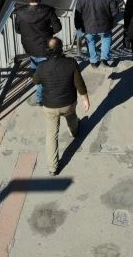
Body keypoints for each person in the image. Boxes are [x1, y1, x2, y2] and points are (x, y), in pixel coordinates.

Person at [33, 38, 90, 175]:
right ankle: (74, 132)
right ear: (61, 48)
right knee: (71, 117)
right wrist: (85, 99)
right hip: (68, 102)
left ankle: (53, 168)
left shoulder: (42, 66)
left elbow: (36, 80)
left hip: (50, 106)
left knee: (51, 135)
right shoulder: (71, 63)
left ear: (48, 50)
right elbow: (79, 83)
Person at [14, 0, 62, 106]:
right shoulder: (48, 11)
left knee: (37, 72)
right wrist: (48, 33)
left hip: (30, 48)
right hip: (45, 47)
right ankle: (42, 97)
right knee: (45, 72)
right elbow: (58, 27)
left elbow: (18, 30)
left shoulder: (20, 13)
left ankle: (40, 97)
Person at [74, 0, 119, 67]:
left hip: (88, 26)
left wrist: (78, 26)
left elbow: (77, 14)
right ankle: (104, 59)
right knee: (106, 39)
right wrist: (110, 21)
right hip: (105, 26)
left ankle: (93, 61)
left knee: (90, 42)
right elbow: (115, 12)